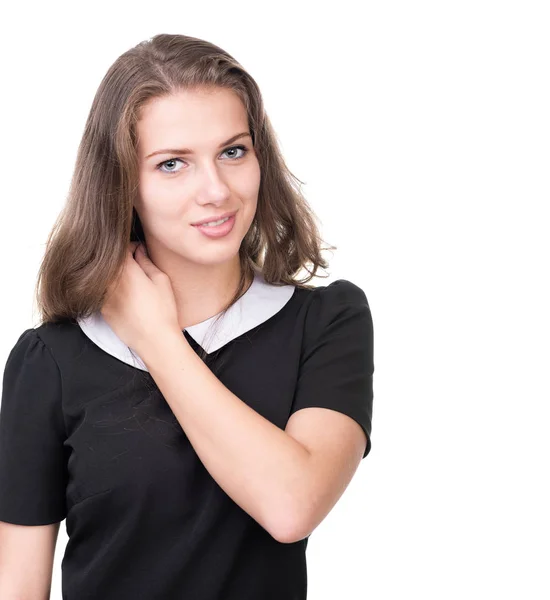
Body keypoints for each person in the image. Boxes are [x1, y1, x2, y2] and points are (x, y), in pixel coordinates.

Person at [0, 33, 374, 599]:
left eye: (233, 151)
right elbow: (18, 587)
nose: (216, 191)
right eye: (173, 164)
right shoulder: (50, 359)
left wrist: (158, 338)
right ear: (122, 185)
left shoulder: (325, 322)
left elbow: (292, 505)